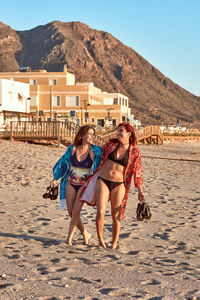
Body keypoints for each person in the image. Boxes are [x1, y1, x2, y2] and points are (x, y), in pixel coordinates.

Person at [73, 122, 145, 249]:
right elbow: (97, 153)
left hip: (119, 184)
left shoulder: (135, 152)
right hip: (103, 181)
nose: (118, 133)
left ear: (129, 134)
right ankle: (101, 239)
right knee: (100, 212)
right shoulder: (111, 145)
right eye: (118, 130)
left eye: (121, 131)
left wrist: (140, 190)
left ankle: (114, 242)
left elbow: (137, 172)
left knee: (115, 214)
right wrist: (84, 143)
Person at [51, 125, 102, 245]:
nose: (92, 136)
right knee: (71, 212)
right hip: (70, 183)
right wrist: (55, 178)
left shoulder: (96, 151)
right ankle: (85, 233)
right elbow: (63, 163)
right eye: (89, 134)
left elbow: (105, 161)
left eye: (93, 134)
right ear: (83, 135)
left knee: (76, 211)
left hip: (84, 185)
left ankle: (69, 239)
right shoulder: (72, 149)